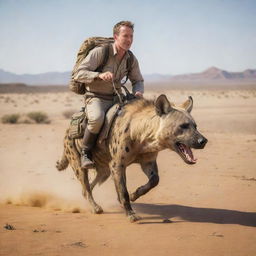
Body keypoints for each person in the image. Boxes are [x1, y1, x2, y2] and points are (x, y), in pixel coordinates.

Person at [73, 21, 144, 169]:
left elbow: (138, 80)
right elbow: (79, 74)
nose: (129, 40)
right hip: (96, 97)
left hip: (118, 98)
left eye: (131, 36)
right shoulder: (101, 52)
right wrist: (99, 75)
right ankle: (85, 153)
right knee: (97, 118)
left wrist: (138, 91)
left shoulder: (130, 58)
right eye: (125, 36)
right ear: (116, 36)